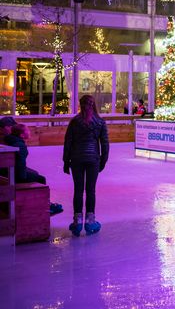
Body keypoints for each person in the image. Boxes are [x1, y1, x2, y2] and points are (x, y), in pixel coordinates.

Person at [63, 95, 109, 236]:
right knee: (90, 190)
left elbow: (68, 143)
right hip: (93, 159)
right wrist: (103, 161)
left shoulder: (74, 122)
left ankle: (77, 222)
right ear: (93, 104)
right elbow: (105, 144)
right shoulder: (100, 122)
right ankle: (90, 222)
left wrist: (66, 161)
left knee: (78, 190)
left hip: (76, 159)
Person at [4, 123, 63, 215]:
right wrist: (22, 178)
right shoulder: (20, 145)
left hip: (10, 172)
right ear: (22, 135)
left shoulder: (12, 140)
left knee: (35, 174)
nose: (30, 132)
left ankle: (43, 203)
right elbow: (20, 163)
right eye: (27, 131)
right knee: (40, 179)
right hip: (16, 175)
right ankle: (44, 205)